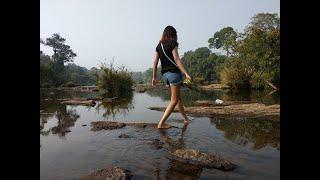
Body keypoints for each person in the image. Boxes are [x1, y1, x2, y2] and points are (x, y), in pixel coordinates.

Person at [152, 25, 192, 129]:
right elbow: (177, 60)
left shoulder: (158, 46)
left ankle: (185, 119)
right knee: (174, 101)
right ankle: (161, 123)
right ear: (173, 35)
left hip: (165, 76)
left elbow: (155, 63)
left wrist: (154, 77)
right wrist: (186, 73)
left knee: (177, 99)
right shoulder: (173, 43)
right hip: (174, 74)